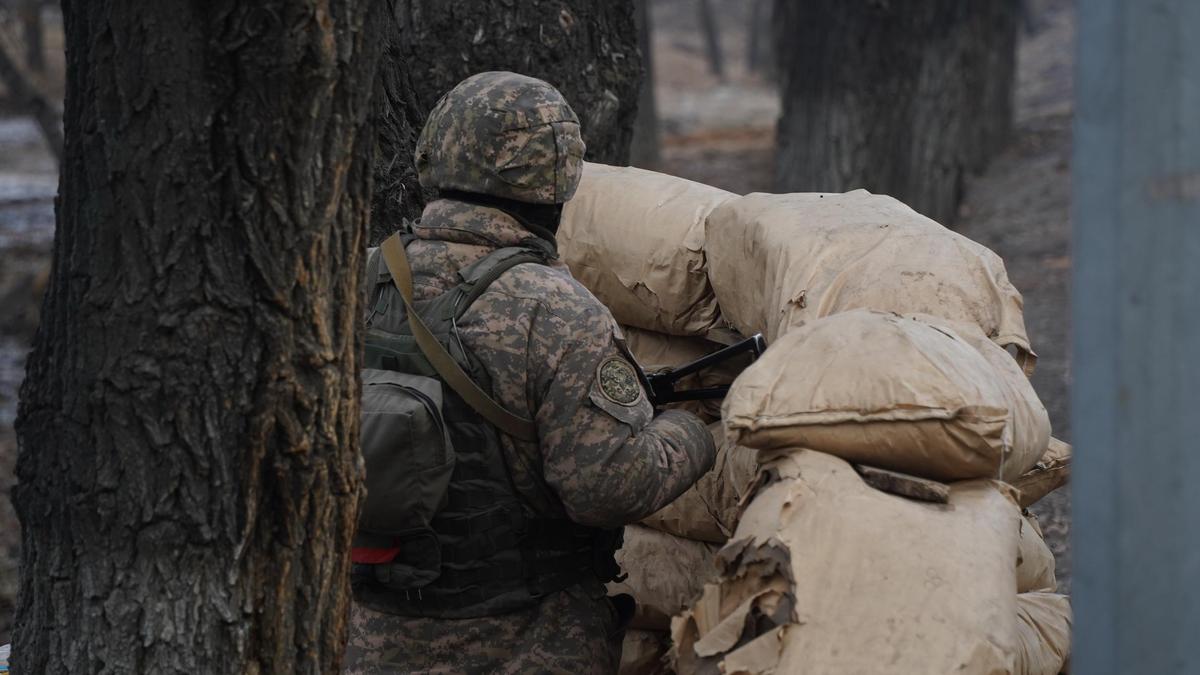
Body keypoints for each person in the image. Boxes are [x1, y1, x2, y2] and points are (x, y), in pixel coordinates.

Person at [343, 71, 716, 674]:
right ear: (558, 175)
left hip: (366, 638)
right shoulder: (556, 309)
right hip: (527, 640)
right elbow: (606, 489)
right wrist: (690, 432)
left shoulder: (354, 280)